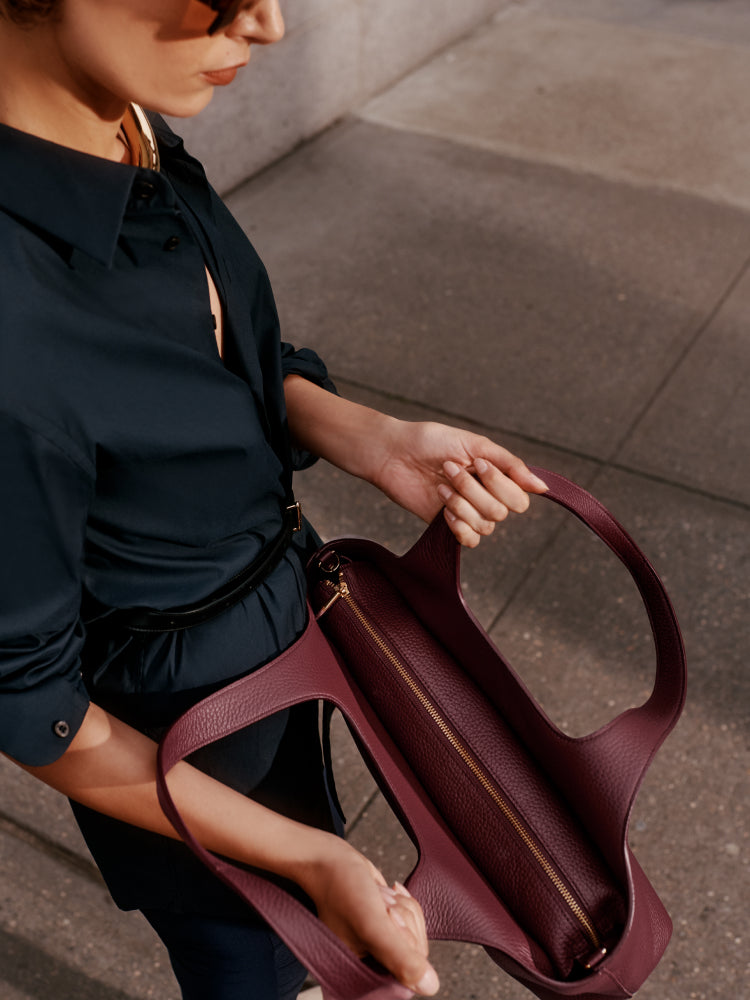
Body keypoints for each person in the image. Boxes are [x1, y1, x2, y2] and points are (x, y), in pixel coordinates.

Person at [0, 1, 548, 997]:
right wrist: (306, 860)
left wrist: (363, 434)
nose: (270, 25)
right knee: (245, 953)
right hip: (182, 737)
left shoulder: (119, 116)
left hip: (284, 643)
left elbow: (206, 360)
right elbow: (30, 702)